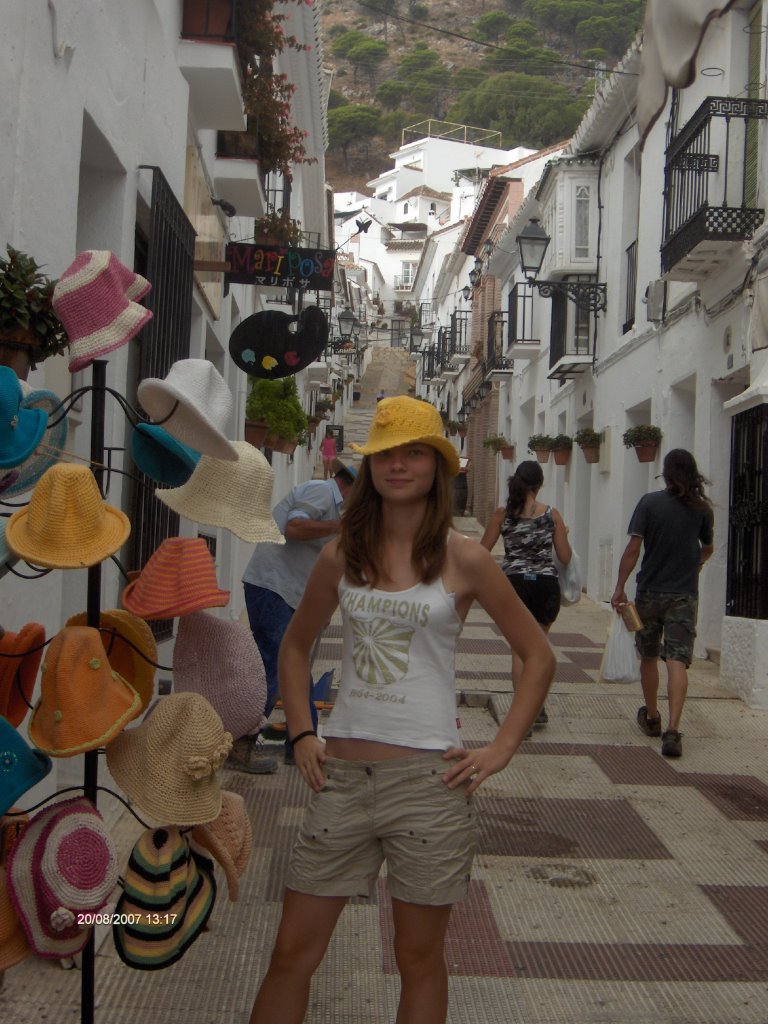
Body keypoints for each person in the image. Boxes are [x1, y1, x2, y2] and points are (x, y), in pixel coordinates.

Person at [248, 396, 555, 1024]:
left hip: (430, 785)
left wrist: (499, 751)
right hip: (343, 780)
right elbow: (296, 647)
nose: (397, 464)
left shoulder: (464, 556)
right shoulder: (341, 556)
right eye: (385, 453)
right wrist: (303, 731)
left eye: (413, 451)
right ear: (369, 468)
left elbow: (537, 655)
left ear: (437, 467)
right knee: (291, 953)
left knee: (418, 959)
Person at [239, 459, 358, 770]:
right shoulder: (322, 492)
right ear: (352, 486)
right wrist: (339, 527)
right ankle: (239, 741)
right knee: (275, 667)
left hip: (285, 591)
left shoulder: (332, 506)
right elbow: (294, 527)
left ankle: (300, 743)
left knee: (293, 664)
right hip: (272, 586)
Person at [611, 448, 714, 758]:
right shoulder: (702, 509)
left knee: (648, 655)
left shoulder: (649, 503)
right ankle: (673, 729)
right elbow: (707, 548)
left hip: (650, 593)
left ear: (666, 473)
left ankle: (652, 716)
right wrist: (692, 567)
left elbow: (633, 548)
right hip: (684, 595)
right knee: (678, 660)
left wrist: (619, 587)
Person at [480, 459, 572, 729]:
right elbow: (565, 558)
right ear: (540, 484)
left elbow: (482, 550)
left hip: (513, 586)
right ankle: (537, 708)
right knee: (539, 650)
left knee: (519, 652)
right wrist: (563, 535)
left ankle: (522, 718)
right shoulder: (552, 515)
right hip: (545, 585)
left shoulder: (502, 514)